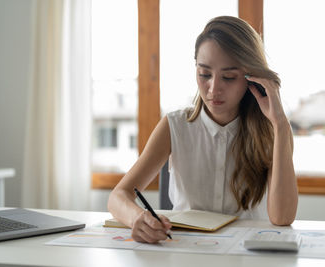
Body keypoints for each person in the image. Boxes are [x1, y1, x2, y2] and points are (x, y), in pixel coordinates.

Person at [107, 15, 298, 244]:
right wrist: (137, 218)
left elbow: (283, 217)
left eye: (228, 77)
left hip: (246, 254)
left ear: (252, 78)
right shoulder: (174, 125)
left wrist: (281, 125)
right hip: (186, 252)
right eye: (204, 74)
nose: (213, 89)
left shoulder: (272, 131)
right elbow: (118, 196)